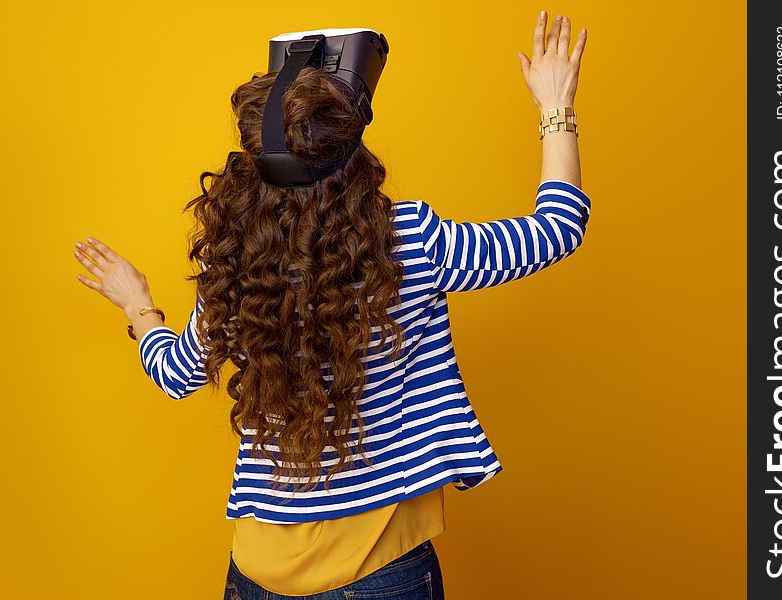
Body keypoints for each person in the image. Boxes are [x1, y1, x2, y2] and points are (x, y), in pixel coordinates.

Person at [72, 10, 589, 600]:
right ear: (355, 161)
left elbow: (174, 372)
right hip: (377, 576)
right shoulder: (410, 243)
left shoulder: (235, 267)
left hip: (255, 574)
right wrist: (556, 106)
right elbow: (558, 227)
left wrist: (138, 304)